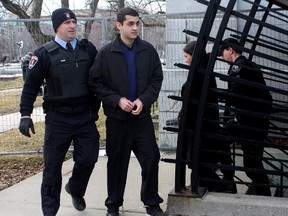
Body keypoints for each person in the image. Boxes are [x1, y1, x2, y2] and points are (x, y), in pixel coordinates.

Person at [19, 8, 100, 215]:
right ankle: (49, 212)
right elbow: (30, 85)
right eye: (67, 23)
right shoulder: (44, 53)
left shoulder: (88, 50)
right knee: (52, 169)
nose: (72, 25)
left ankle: (75, 188)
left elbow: (101, 78)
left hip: (85, 117)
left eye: (74, 21)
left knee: (88, 159)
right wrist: (25, 114)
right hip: (58, 119)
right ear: (57, 27)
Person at [88, 7, 166, 216]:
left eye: (137, 23)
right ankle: (113, 205)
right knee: (117, 164)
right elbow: (95, 82)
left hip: (141, 119)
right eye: (130, 23)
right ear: (119, 25)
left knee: (151, 158)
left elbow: (156, 79)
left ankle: (151, 202)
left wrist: (144, 100)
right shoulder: (106, 53)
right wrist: (117, 100)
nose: (135, 28)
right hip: (117, 120)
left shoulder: (148, 51)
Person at [218, 37, 272, 196]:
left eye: (222, 52)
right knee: (251, 162)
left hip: (251, 125)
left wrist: (217, 95)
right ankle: (258, 188)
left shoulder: (240, 67)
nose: (222, 56)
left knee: (252, 164)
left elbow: (235, 94)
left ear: (230, 50)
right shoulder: (247, 65)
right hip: (253, 123)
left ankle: (263, 193)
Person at [181, 41, 236, 193]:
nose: (185, 60)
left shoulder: (199, 74)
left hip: (200, 126)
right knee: (202, 165)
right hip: (206, 124)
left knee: (200, 165)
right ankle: (226, 185)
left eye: (187, 56)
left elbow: (192, 100)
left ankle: (224, 188)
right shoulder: (205, 71)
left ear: (194, 56)